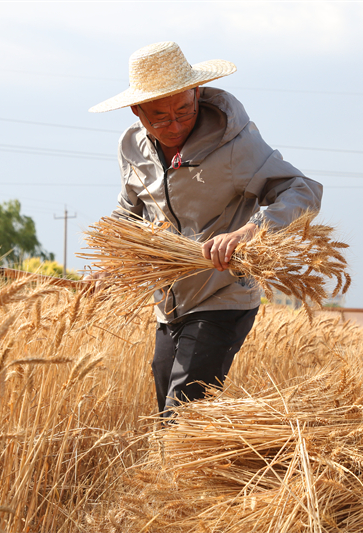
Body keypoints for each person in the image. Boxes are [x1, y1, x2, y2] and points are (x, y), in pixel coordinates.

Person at [87, 41, 322, 417]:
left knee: (180, 413)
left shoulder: (234, 144)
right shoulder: (131, 147)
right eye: (160, 118)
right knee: (169, 406)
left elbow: (302, 190)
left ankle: (173, 476)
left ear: (197, 92)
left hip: (222, 295)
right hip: (169, 303)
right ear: (137, 111)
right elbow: (128, 214)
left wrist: (250, 232)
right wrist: (109, 266)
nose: (176, 124)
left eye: (184, 109)